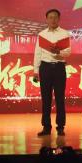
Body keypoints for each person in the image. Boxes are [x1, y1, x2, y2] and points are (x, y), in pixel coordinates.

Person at [33, 8, 72, 137]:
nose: (53, 20)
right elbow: (37, 53)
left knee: (60, 98)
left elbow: (68, 52)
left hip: (59, 67)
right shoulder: (42, 34)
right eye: (50, 17)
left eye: (55, 17)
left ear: (59, 19)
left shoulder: (64, 33)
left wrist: (58, 52)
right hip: (45, 68)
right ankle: (46, 127)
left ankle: (60, 127)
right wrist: (35, 71)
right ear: (46, 19)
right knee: (46, 99)